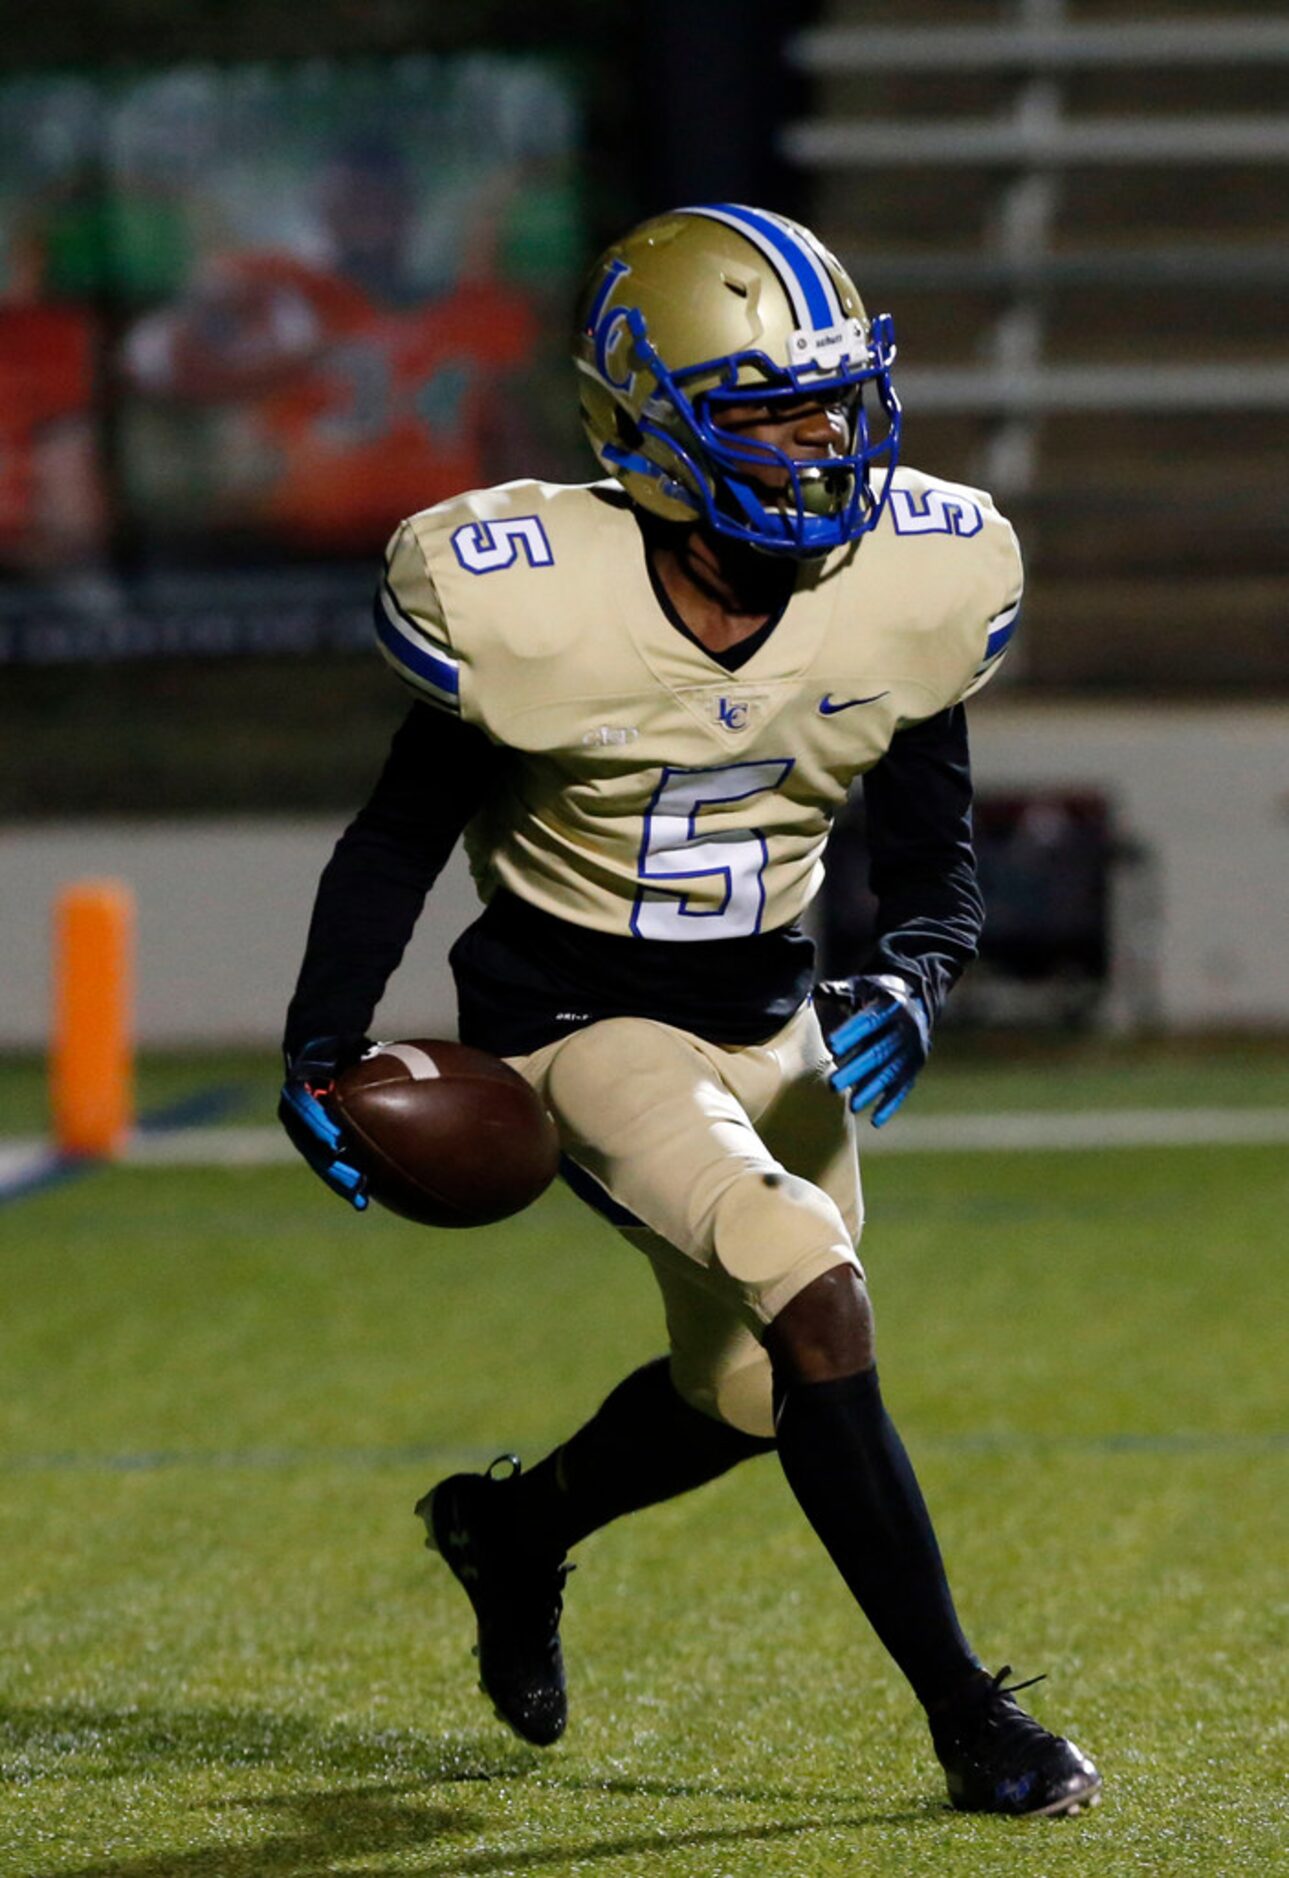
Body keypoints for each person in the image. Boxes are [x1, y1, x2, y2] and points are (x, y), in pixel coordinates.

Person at [279, 204, 1101, 1818]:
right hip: (577, 1013)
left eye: (838, 397)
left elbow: (929, 859)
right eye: (769, 409)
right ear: (646, 425)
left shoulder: (909, 581)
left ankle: (511, 1532)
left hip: (770, 1014)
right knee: (813, 1286)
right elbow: (397, 833)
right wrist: (321, 1045)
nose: (825, 439)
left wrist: (912, 977)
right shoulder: (526, 591)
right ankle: (968, 1720)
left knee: (743, 1393)